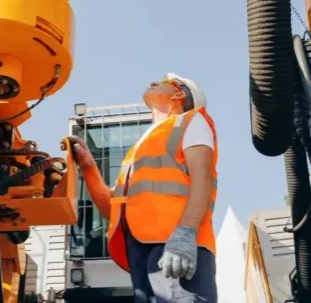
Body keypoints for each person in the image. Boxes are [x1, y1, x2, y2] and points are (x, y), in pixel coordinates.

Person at [67, 72, 218, 302]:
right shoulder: (141, 147)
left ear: (178, 94)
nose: (153, 82)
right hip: (142, 249)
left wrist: (186, 233)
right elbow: (113, 210)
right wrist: (88, 167)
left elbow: (203, 176)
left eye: (164, 83)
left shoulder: (191, 120)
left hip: (176, 242)